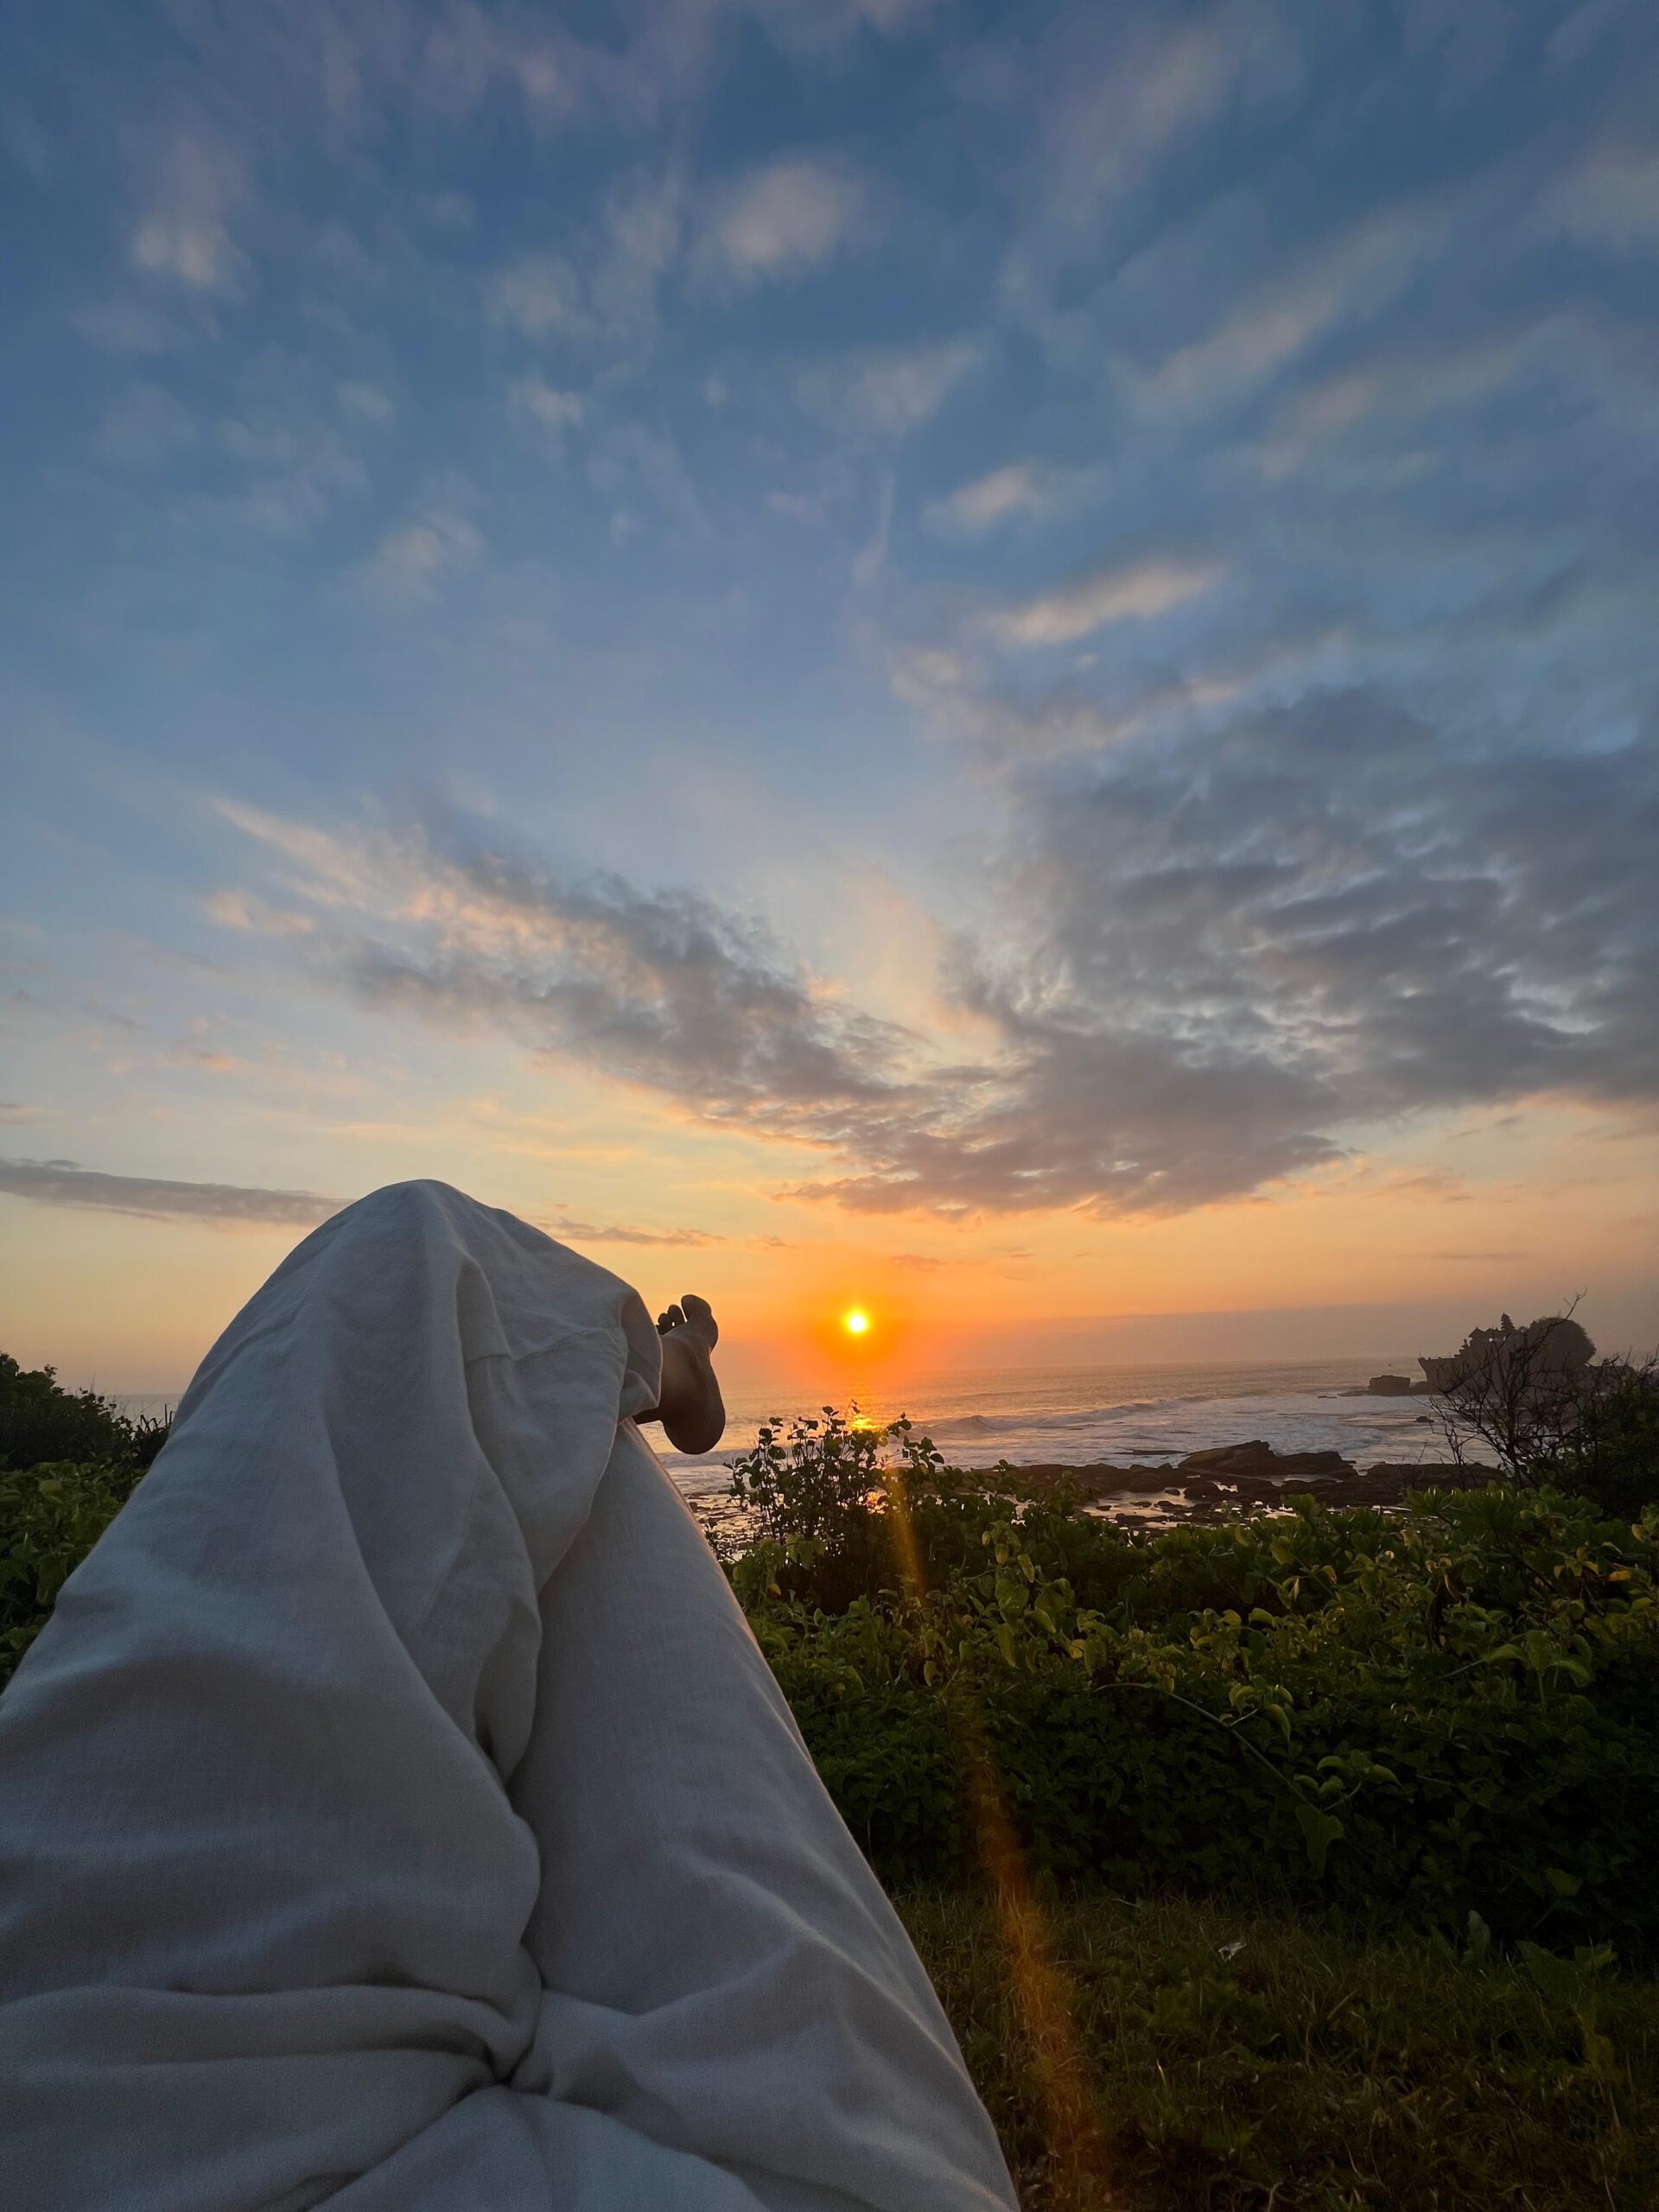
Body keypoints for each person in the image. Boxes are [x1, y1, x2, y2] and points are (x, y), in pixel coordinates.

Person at [0, 1180, 1018, 2212]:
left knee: (423, 1292)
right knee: (410, 1253)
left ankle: (645, 1371)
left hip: (96, 2064)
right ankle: (659, 1369)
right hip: (780, 2164)